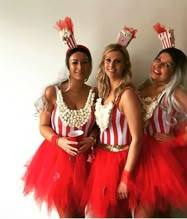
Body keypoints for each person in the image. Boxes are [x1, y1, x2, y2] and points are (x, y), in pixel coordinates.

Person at [22, 17, 98, 218]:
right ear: (68, 65)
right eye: (75, 62)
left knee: (81, 212)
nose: (79, 67)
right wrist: (59, 140)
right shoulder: (52, 92)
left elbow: (101, 125)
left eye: (84, 62)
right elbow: (43, 126)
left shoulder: (96, 93)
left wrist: (92, 138)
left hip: (87, 159)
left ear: (90, 65)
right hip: (57, 158)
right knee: (66, 213)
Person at [134, 45, 187, 217]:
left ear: (174, 73)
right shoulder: (144, 86)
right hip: (140, 153)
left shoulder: (174, 93)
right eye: (159, 59)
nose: (159, 65)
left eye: (167, 65)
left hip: (160, 159)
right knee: (159, 212)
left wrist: (178, 141)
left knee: (144, 213)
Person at [81, 41, 143, 217]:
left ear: (125, 66)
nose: (111, 65)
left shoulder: (127, 94)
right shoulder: (103, 92)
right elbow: (100, 128)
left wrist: (125, 177)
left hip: (121, 161)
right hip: (101, 158)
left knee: (116, 213)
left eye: (117, 61)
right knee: (100, 212)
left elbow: (137, 138)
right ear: (103, 63)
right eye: (108, 60)